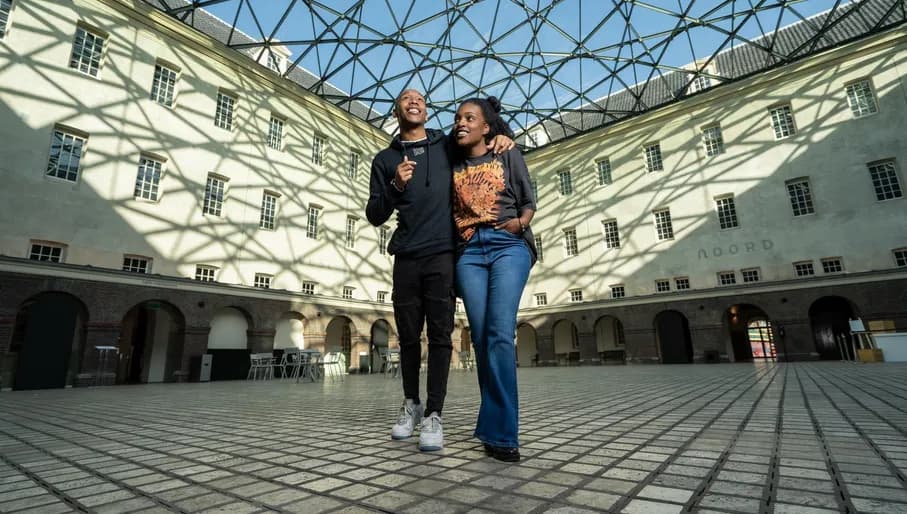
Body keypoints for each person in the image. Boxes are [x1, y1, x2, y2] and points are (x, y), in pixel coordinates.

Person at [365, 89, 512, 451]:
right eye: (406, 99)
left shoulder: (445, 146)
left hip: (444, 253)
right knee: (409, 336)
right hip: (407, 255)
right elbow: (374, 214)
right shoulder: (385, 159)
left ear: (426, 111)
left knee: (442, 335)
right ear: (397, 110)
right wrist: (395, 185)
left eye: (420, 99)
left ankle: (434, 413)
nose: (414, 101)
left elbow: (479, 135)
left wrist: (502, 136)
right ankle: (411, 403)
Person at [448, 96, 536, 462]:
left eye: (470, 118)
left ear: (488, 127)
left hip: (507, 245)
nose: (461, 123)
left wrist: (521, 223)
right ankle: (492, 424)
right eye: (457, 118)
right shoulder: (448, 163)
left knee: (500, 333)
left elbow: (529, 200)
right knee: (481, 338)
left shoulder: (507, 153)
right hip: (469, 253)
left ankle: (502, 434)